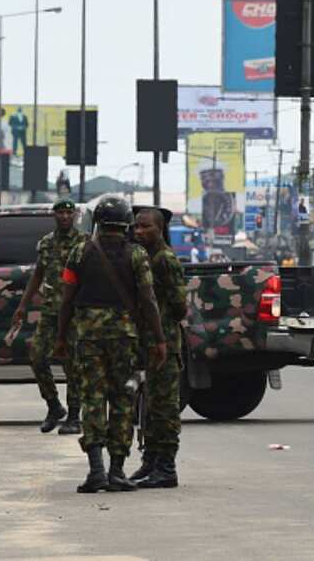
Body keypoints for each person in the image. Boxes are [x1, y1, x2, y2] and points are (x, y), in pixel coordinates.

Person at [57, 196, 167, 493]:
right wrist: (158, 339)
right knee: (122, 400)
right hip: (124, 339)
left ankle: (96, 471)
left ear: (98, 223)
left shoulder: (78, 253)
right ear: (126, 224)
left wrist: (60, 338)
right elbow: (148, 299)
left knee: (92, 399)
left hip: (88, 338)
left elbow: (67, 299)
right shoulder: (137, 255)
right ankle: (117, 471)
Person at [12, 200, 85, 435]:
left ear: (75, 215)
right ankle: (54, 406)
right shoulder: (46, 243)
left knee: (73, 364)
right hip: (50, 310)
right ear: (54, 215)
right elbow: (38, 274)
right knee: (37, 357)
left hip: (74, 312)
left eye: (68, 212)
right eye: (60, 212)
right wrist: (23, 305)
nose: (64, 216)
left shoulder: (84, 243)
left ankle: (74, 416)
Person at [130, 207, 187, 489]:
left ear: (159, 229)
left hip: (164, 342)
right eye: (136, 227)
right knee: (150, 406)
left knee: (164, 408)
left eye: (145, 227)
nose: (139, 232)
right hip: (148, 342)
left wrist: (162, 325)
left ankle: (167, 468)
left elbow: (180, 305)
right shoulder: (144, 257)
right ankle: (150, 461)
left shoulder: (165, 259)